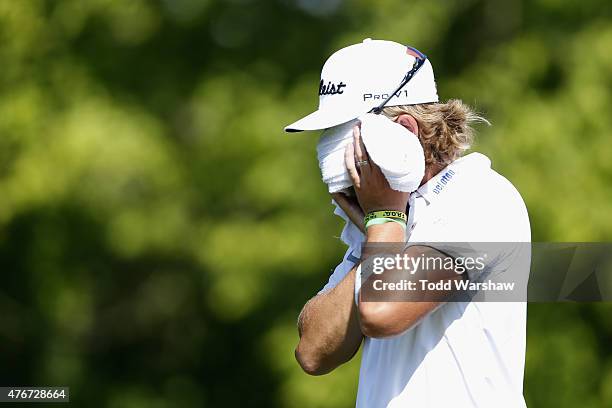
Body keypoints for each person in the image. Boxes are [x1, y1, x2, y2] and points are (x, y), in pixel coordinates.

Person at [285, 39, 531, 408]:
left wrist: (383, 217)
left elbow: (382, 311)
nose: (337, 159)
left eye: (345, 135)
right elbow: (314, 352)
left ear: (405, 130)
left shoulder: (479, 198)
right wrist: (379, 225)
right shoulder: (386, 221)